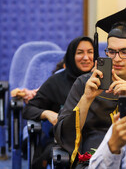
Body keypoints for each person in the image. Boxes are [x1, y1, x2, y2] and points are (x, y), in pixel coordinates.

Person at [54, 8, 126, 168]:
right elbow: (63, 134)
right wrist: (87, 98)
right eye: (111, 51)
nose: (116, 59)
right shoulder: (85, 83)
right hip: (93, 160)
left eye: (124, 52)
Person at [22, 36, 98, 168]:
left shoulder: (103, 80)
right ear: (70, 56)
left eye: (90, 52)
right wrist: (47, 113)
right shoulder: (56, 81)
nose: (86, 58)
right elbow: (29, 109)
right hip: (64, 141)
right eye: (80, 53)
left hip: (97, 138)